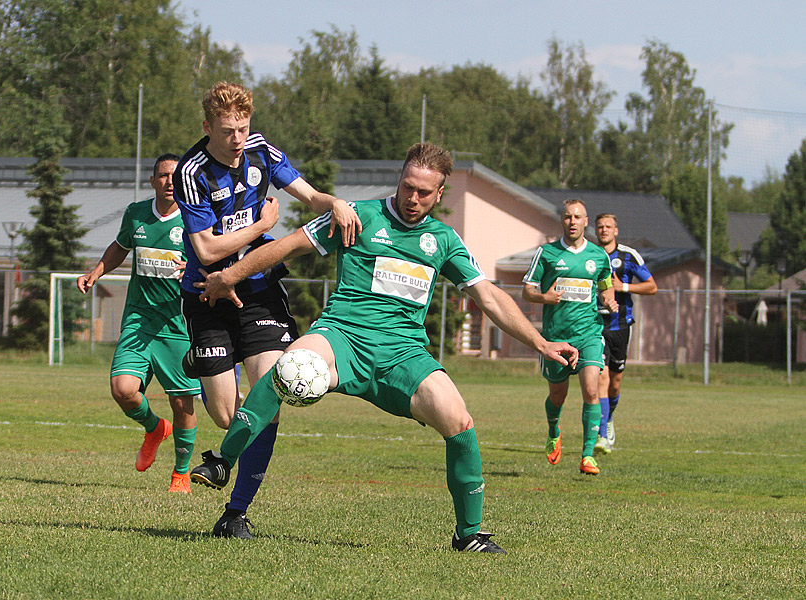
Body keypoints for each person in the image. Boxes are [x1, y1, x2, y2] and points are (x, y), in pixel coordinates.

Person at [191, 143, 578, 553]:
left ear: (440, 194)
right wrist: (229, 275)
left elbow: (489, 296)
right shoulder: (356, 216)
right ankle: (221, 461)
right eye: (408, 187)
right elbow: (286, 246)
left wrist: (540, 342)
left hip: (403, 356)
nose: (413, 198)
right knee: (289, 367)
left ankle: (470, 536)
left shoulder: (444, 240)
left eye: (424, 193)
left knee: (459, 420)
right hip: (342, 337)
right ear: (400, 179)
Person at [172, 81, 361, 539]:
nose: (238, 139)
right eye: (227, 130)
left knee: (269, 396)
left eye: (243, 127)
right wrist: (262, 225)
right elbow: (208, 248)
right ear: (206, 127)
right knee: (223, 415)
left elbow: (310, 196)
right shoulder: (190, 171)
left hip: (257, 291)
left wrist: (335, 203)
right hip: (208, 293)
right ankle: (202, 361)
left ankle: (234, 513)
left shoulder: (260, 151)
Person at [77, 154, 200, 493]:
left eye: (175, 176)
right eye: (163, 175)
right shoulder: (136, 214)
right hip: (139, 320)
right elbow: (119, 248)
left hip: (178, 323)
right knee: (123, 389)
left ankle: (180, 473)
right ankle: (154, 428)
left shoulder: (196, 218)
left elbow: (213, 260)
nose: (170, 181)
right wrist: (95, 271)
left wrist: (192, 274)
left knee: (181, 400)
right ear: (152, 181)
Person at [522, 199, 618, 476]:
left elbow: (605, 287)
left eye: (577, 217)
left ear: (586, 221)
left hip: (588, 332)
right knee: (557, 395)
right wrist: (544, 297)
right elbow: (527, 290)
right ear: (562, 221)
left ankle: (588, 455)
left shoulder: (599, 256)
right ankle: (554, 430)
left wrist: (609, 301)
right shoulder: (547, 253)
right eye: (567, 217)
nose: (572, 221)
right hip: (555, 338)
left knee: (591, 390)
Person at [593, 213, 657, 454]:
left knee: (615, 383)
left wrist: (623, 287)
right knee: (601, 378)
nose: (604, 230)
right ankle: (600, 435)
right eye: (600, 227)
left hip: (621, 326)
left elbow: (652, 286)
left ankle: (608, 419)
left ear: (616, 230)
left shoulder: (628, 256)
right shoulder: (591, 255)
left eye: (608, 226)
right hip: (596, 324)